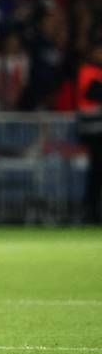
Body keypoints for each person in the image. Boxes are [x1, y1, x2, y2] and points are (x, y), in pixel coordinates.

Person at [77, 43, 102, 224]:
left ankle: (93, 209)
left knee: (97, 171)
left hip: (97, 129)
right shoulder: (87, 71)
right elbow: (93, 93)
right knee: (96, 170)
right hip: (92, 131)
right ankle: (90, 211)